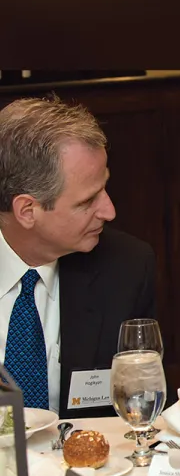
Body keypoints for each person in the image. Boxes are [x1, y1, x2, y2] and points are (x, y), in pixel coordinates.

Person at [0, 96, 156, 419]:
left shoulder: (125, 268)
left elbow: (140, 409)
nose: (109, 211)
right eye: (87, 201)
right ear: (27, 211)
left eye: (104, 188)